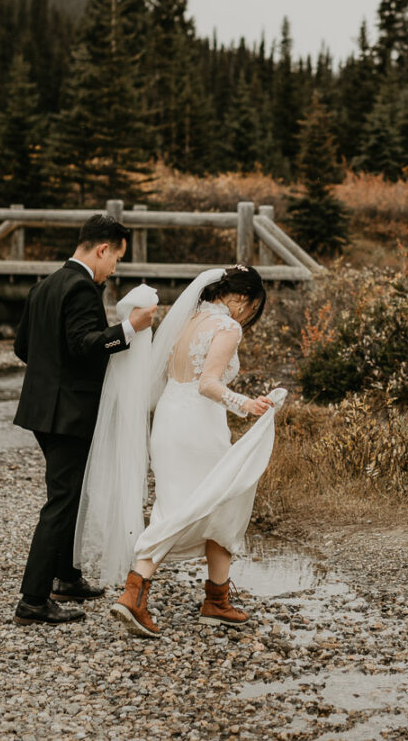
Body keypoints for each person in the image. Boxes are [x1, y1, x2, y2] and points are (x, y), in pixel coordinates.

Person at [83, 265, 280, 639]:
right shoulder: (227, 328)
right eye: (251, 306)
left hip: (169, 422)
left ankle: (200, 599)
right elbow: (208, 384)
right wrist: (247, 405)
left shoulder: (185, 319)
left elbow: (171, 376)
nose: (247, 315)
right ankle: (146, 596)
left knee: (190, 504)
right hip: (198, 427)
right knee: (215, 500)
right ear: (240, 297)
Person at [10, 215, 157, 626]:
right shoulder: (79, 287)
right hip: (67, 414)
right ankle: (33, 600)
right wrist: (129, 327)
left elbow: (24, 347)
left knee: (72, 493)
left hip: (42, 410)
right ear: (102, 249)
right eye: (116, 260)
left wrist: (51, 377)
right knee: (63, 500)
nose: (115, 270)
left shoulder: (45, 285)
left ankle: (67, 577)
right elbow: (84, 346)